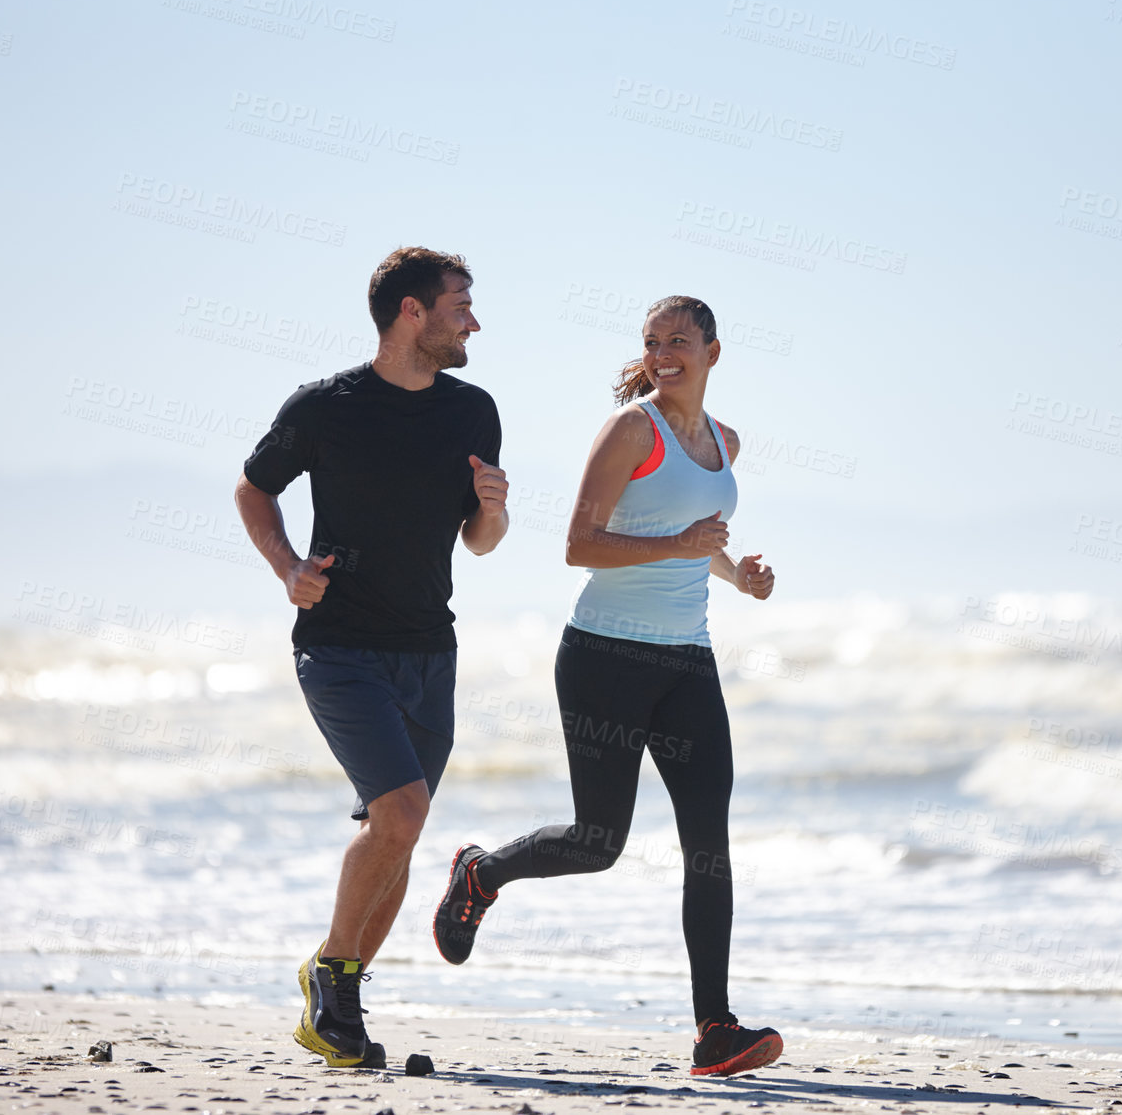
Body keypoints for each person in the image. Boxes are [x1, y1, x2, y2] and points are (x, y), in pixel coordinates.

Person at [432, 295, 781, 1077]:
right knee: (599, 844)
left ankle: (713, 1029)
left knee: (710, 846)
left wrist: (736, 574)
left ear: (714, 353)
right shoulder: (632, 430)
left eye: (679, 342)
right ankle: (480, 874)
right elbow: (579, 545)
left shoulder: (725, 442)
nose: (664, 354)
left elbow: (696, 542)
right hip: (603, 658)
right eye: (653, 342)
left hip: (687, 659)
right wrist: (683, 543)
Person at [235, 247, 507, 1068]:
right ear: (411, 313)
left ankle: (336, 998)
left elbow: (480, 541)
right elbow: (254, 487)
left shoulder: (474, 410)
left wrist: (494, 511)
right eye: (461, 303)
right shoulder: (326, 406)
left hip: (430, 647)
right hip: (339, 647)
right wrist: (288, 569)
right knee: (402, 816)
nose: (474, 319)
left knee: (398, 833)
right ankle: (334, 981)